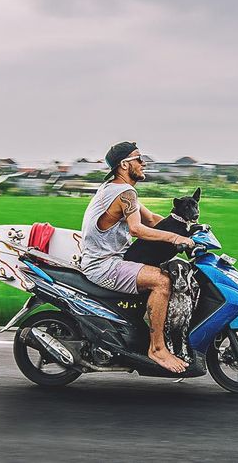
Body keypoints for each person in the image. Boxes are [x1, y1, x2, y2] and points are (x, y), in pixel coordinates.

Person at [80, 141, 195, 373]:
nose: (144, 163)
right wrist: (175, 239)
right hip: (105, 265)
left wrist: (187, 228)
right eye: (139, 159)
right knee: (163, 281)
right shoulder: (125, 193)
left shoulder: (117, 188)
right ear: (124, 164)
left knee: (158, 268)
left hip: (111, 259)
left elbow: (152, 219)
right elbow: (137, 229)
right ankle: (157, 349)